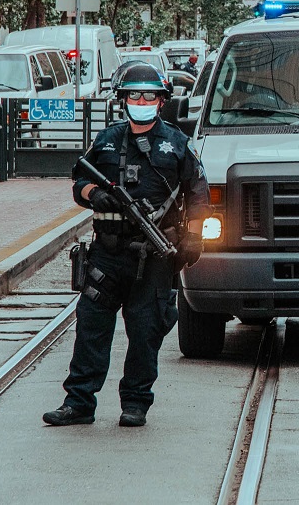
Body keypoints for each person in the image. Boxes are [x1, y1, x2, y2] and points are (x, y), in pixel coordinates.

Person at [43, 61, 211, 428]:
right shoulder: (105, 140)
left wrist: (194, 237)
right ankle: (79, 403)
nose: (141, 100)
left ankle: (135, 403)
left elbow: (199, 195)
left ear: (162, 100)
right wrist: (95, 196)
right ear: (122, 99)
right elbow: (80, 182)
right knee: (90, 328)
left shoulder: (179, 145)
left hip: (153, 257)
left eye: (149, 95)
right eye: (134, 94)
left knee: (145, 332)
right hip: (107, 253)